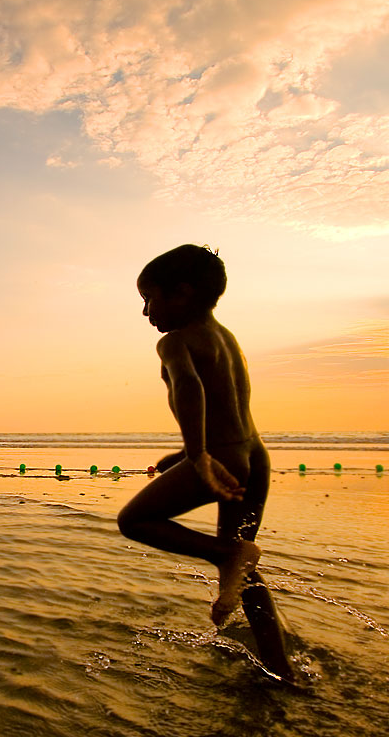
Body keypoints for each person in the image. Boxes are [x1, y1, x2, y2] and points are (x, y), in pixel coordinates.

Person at [116, 244, 294, 680]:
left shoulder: (173, 341)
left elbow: (189, 386)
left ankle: (223, 553)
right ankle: (280, 669)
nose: (145, 312)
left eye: (149, 298)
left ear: (182, 292)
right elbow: (224, 403)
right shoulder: (226, 337)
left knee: (134, 520)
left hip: (222, 456)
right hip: (254, 453)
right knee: (245, 572)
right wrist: (188, 450)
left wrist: (197, 455)